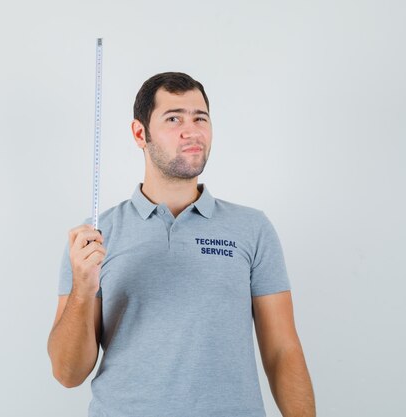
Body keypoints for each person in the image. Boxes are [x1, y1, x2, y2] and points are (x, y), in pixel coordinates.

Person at [47, 72, 315, 417]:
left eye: (200, 118)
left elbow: (282, 351)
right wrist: (83, 290)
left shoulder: (252, 228)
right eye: (174, 118)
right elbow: (67, 374)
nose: (192, 131)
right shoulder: (94, 237)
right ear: (140, 133)